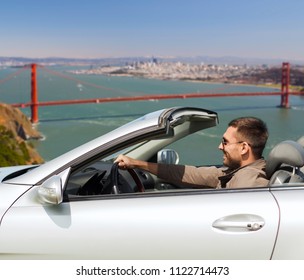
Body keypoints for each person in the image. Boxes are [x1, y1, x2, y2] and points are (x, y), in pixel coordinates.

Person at [115, 116, 269, 189]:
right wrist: (135, 163)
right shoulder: (234, 173)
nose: (220, 147)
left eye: (225, 142)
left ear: (243, 148)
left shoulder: (249, 181)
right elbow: (188, 173)